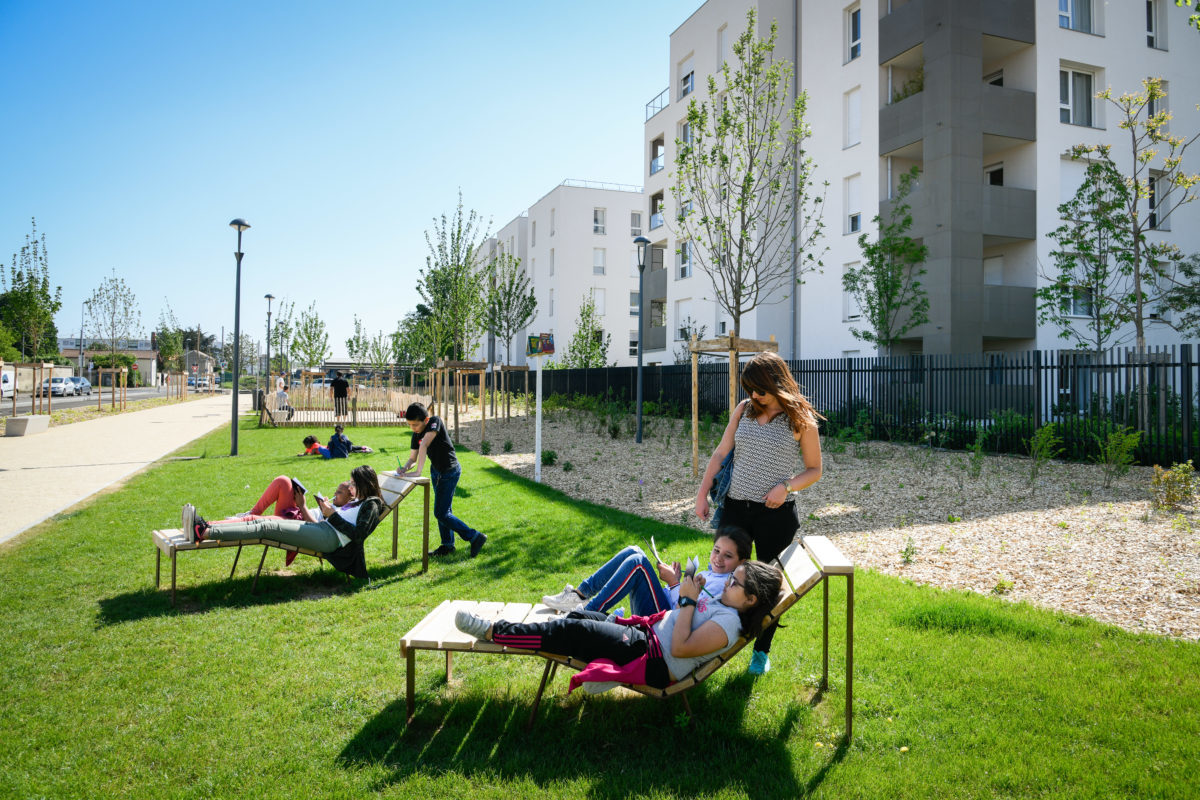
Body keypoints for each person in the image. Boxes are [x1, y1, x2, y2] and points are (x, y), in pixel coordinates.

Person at [455, 561, 783, 693]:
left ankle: (494, 630)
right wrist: (687, 590)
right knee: (578, 619)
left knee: (572, 632)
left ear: (751, 599)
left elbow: (680, 648)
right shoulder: (727, 608)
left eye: (735, 582)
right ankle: (544, 635)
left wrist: (686, 601)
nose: (727, 582)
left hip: (651, 658)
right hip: (646, 638)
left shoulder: (728, 625)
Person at [694, 351, 823, 676]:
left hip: (775, 517)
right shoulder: (744, 409)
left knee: (767, 589)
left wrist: (786, 487)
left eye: (759, 389)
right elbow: (721, 453)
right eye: (749, 388)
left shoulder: (799, 417)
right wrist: (701, 493)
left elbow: (814, 469)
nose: (754, 395)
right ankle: (705, 640)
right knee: (721, 574)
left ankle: (761, 652)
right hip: (735, 509)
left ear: (776, 382)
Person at [181, 465, 385, 580]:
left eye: (354, 483)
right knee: (261, 524)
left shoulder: (372, 504)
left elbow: (358, 535)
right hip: (322, 528)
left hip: (330, 538)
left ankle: (204, 532)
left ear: (363, 484)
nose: (351, 487)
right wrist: (328, 513)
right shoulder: (358, 501)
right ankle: (205, 528)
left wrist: (332, 515)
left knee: (265, 527)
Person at [542, 527, 752, 618]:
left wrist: (674, 583)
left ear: (741, 561)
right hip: (664, 609)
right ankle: (579, 594)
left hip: (664, 624)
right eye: (716, 550)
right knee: (633, 551)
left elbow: (685, 613)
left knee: (638, 563)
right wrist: (675, 581)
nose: (718, 558)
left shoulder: (724, 587)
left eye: (727, 556)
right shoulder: (715, 575)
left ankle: (582, 615)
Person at [399, 401, 486, 558]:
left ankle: (474, 536)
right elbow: (412, 458)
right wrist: (404, 468)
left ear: (425, 420)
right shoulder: (416, 434)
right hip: (436, 472)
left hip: (449, 471)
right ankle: (447, 545)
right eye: (410, 425)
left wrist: (418, 472)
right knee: (445, 510)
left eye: (415, 425)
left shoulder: (435, 421)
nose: (413, 428)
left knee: (441, 513)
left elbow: (425, 444)